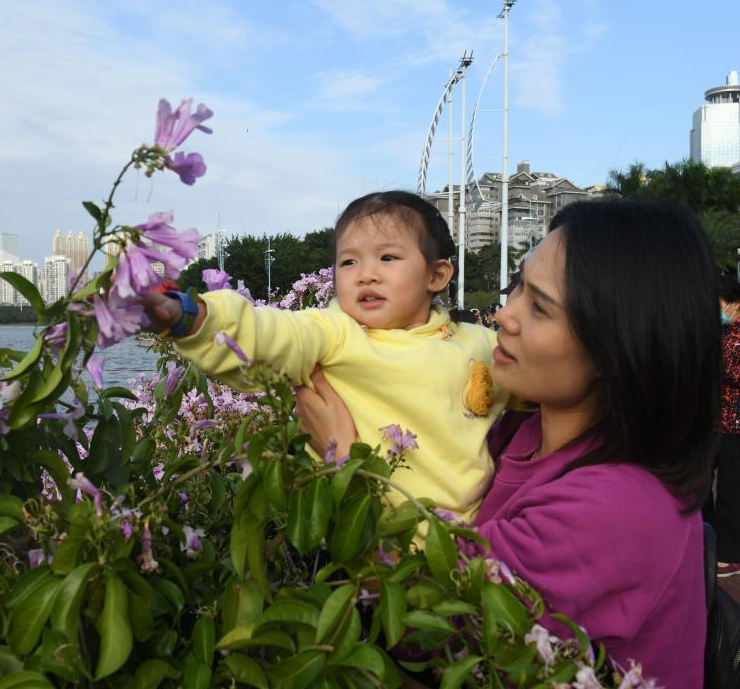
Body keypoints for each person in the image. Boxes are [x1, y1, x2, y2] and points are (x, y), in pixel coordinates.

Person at [294, 200, 716, 687]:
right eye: (518, 286)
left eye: (539, 307)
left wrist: (346, 465)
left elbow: (419, 627)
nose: (504, 315)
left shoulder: (613, 509)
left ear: (617, 346)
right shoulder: (519, 430)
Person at [143, 191, 511, 520]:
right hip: (380, 535)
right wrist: (190, 317)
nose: (366, 275)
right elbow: (270, 334)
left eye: (387, 257)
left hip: (473, 538)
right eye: (348, 262)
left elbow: (535, 380)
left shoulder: (477, 342)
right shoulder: (337, 332)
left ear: (437, 275)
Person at [712, 271, 740, 577]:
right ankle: (711, 540)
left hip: (735, 422)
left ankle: (731, 555)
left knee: (731, 488)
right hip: (716, 420)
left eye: (718, 304)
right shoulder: (723, 329)